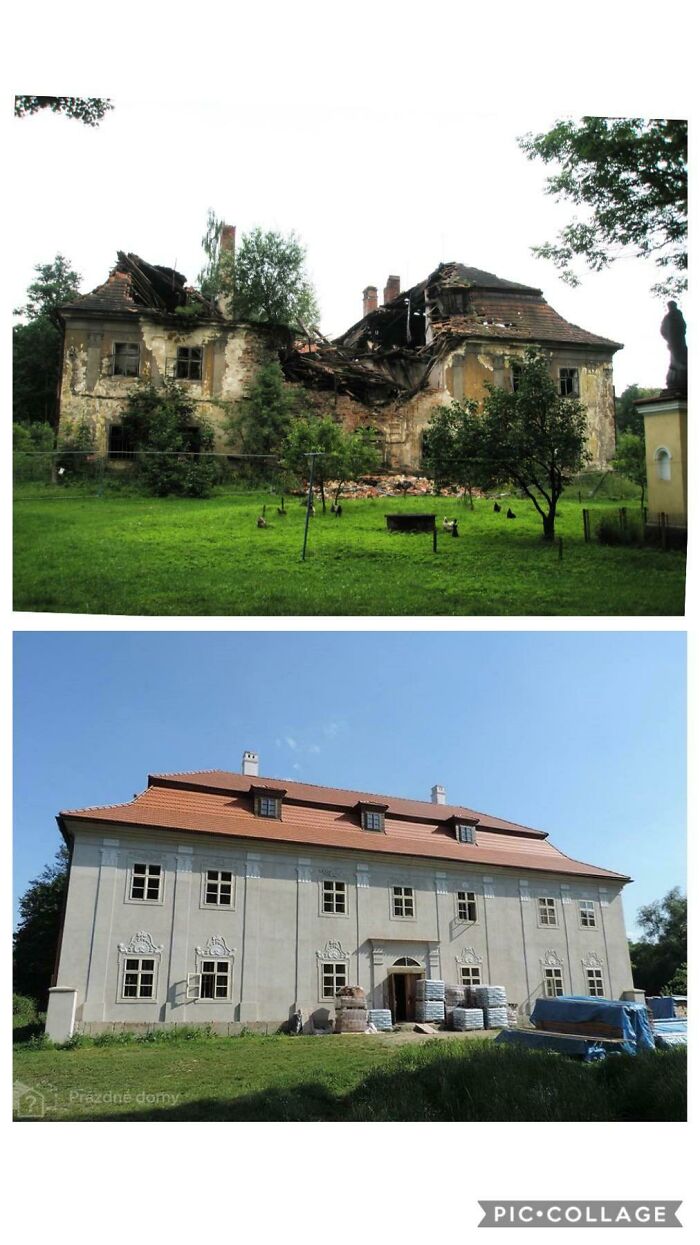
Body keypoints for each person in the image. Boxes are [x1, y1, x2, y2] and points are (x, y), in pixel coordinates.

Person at [660, 301, 687, 394]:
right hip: (674, 343)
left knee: (680, 360)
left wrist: (670, 338)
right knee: (676, 360)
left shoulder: (676, 315)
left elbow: (683, 327)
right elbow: (663, 330)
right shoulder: (669, 317)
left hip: (678, 343)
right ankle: (677, 378)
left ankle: (680, 378)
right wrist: (669, 339)